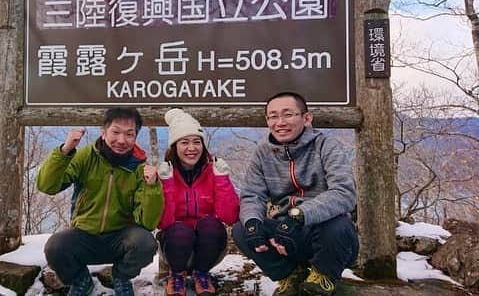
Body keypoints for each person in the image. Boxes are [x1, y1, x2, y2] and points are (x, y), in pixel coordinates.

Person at [232, 92, 358, 296]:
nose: (280, 122)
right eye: (273, 116)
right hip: (285, 233)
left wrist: (299, 215)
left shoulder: (326, 146)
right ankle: (289, 275)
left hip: (325, 234)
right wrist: (253, 223)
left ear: (306, 118)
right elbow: (252, 195)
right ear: (267, 121)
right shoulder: (263, 152)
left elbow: (344, 192)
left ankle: (323, 275)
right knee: (242, 229)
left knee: (338, 225)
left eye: (288, 114)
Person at [36, 107, 164, 296]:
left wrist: (152, 187)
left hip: (120, 239)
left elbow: (148, 223)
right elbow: (48, 186)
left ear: (135, 137)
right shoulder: (86, 157)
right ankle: (81, 281)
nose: (122, 140)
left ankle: (120, 278)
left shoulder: (139, 168)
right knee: (56, 247)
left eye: (129, 134)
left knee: (145, 243)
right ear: (103, 133)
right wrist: (65, 150)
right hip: (85, 236)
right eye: (115, 132)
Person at [156, 108, 239, 296]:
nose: (191, 148)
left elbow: (230, 216)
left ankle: (202, 275)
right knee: (179, 230)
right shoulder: (166, 173)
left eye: (196, 142)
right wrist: (167, 184)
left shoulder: (214, 170)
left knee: (211, 224)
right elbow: (163, 223)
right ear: (174, 147)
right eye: (184, 142)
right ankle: (176, 276)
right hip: (174, 247)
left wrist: (222, 179)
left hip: (208, 247)